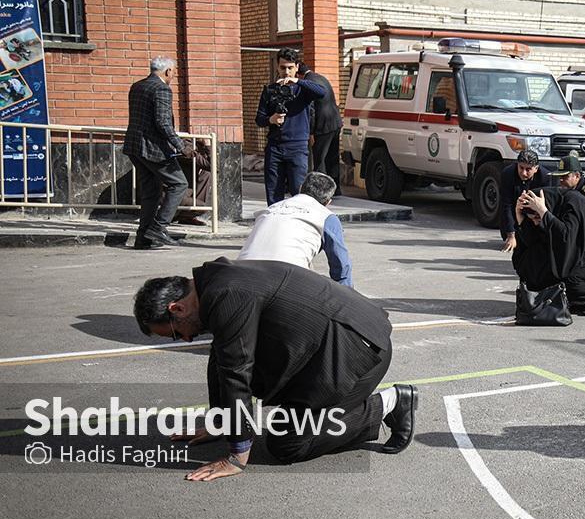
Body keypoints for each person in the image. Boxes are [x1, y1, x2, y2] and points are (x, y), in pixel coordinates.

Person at [133, 259, 418, 481]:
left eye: (173, 333)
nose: (184, 339)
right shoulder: (215, 282)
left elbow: (236, 372)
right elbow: (222, 356)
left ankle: (390, 403)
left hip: (358, 354)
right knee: (224, 354)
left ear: (177, 308)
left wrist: (237, 454)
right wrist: (219, 420)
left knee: (288, 443)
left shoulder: (226, 294)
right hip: (326, 351)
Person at [512, 187, 585, 316]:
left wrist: (544, 212)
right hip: (579, 255)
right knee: (533, 267)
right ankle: (573, 298)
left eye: (537, 217)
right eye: (532, 218)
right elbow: (531, 244)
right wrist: (521, 220)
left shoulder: (572, 203)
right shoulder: (548, 209)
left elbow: (566, 239)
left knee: (569, 278)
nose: (536, 222)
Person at [238, 172, 353, 288]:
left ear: (300, 188)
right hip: (284, 281)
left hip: (239, 275)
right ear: (328, 202)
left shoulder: (272, 209)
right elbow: (341, 268)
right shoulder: (326, 217)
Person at [124, 56, 192, 250]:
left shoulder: (137, 86)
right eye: (174, 72)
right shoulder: (162, 89)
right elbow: (163, 123)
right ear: (168, 71)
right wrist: (181, 146)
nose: (173, 76)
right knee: (179, 184)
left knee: (151, 192)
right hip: (153, 149)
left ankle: (142, 238)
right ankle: (159, 227)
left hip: (135, 147)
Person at [255, 48, 327, 205]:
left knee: (299, 194)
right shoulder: (270, 90)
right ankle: (275, 227)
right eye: (282, 68)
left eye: (290, 68)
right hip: (275, 147)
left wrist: (298, 81)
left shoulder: (303, 90)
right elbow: (259, 119)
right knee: (274, 195)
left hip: (298, 148)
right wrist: (271, 120)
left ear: (297, 67)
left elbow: (322, 92)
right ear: (277, 67)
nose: (286, 72)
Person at [300, 61, 343, 195]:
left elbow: (311, 110)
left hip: (322, 125)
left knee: (320, 159)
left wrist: (311, 132)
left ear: (299, 74)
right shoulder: (320, 77)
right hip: (335, 121)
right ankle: (336, 190)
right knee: (333, 156)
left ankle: (321, 192)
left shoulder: (308, 83)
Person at [499, 150, 551, 253]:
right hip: (514, 207)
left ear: (536, 169)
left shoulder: (545, 177)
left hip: (535, 211)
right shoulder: (508, 174)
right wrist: (511, 234)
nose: (523, 173)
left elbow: (546, 206)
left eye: (528, 169)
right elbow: (506, 205)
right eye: (521, 168)